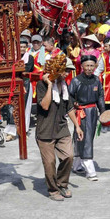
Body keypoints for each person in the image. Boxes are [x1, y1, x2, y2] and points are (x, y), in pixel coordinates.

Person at [31, 54, 75, 202]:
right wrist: (50, 85)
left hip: (61, 128)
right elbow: (44, 105)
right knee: (49, 163)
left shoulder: (64, 85)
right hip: (45, 131)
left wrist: (78, 126)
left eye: (68, 71)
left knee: (68, 156)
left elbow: (69, 108)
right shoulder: (42, 85)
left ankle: (62, 183)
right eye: (65, 70)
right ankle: (52, 189)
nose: (66, 74)